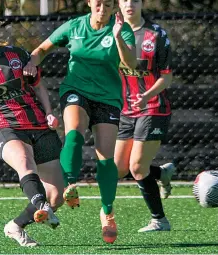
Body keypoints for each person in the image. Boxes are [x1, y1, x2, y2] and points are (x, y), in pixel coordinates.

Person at [23, 0, 137, 243]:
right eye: (98, 3)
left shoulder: (121, 28)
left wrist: (117, 37)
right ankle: (70, 185)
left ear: (114, 7)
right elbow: (42, 49)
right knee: (74, 132)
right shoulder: (74, 26)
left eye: (108, 5)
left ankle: (107, 211)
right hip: (76, 90)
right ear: (89, 2)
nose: (102, 9)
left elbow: (131, 63)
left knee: (106, 158)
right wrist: (31, 63)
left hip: (108, 97)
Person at [0, 13, 65, 247]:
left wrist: (49, 112)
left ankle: (16, 226)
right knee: (25, 164)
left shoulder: (17, 55)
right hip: (4, 128)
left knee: (57, 196)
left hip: (38, 125)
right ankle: (41, 205)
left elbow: (39, 86)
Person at [115, 0, 175, 232]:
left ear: (141, 3)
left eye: (135, 0)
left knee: (138, 167)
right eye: (124, 0)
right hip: (125, 110)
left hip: (153, 107)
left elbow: (167, 78)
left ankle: (159, 220)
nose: (129, 4)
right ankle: (161, 173)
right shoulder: (111, 31)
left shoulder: (156, 34)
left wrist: (146, 94)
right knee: (120, 169)